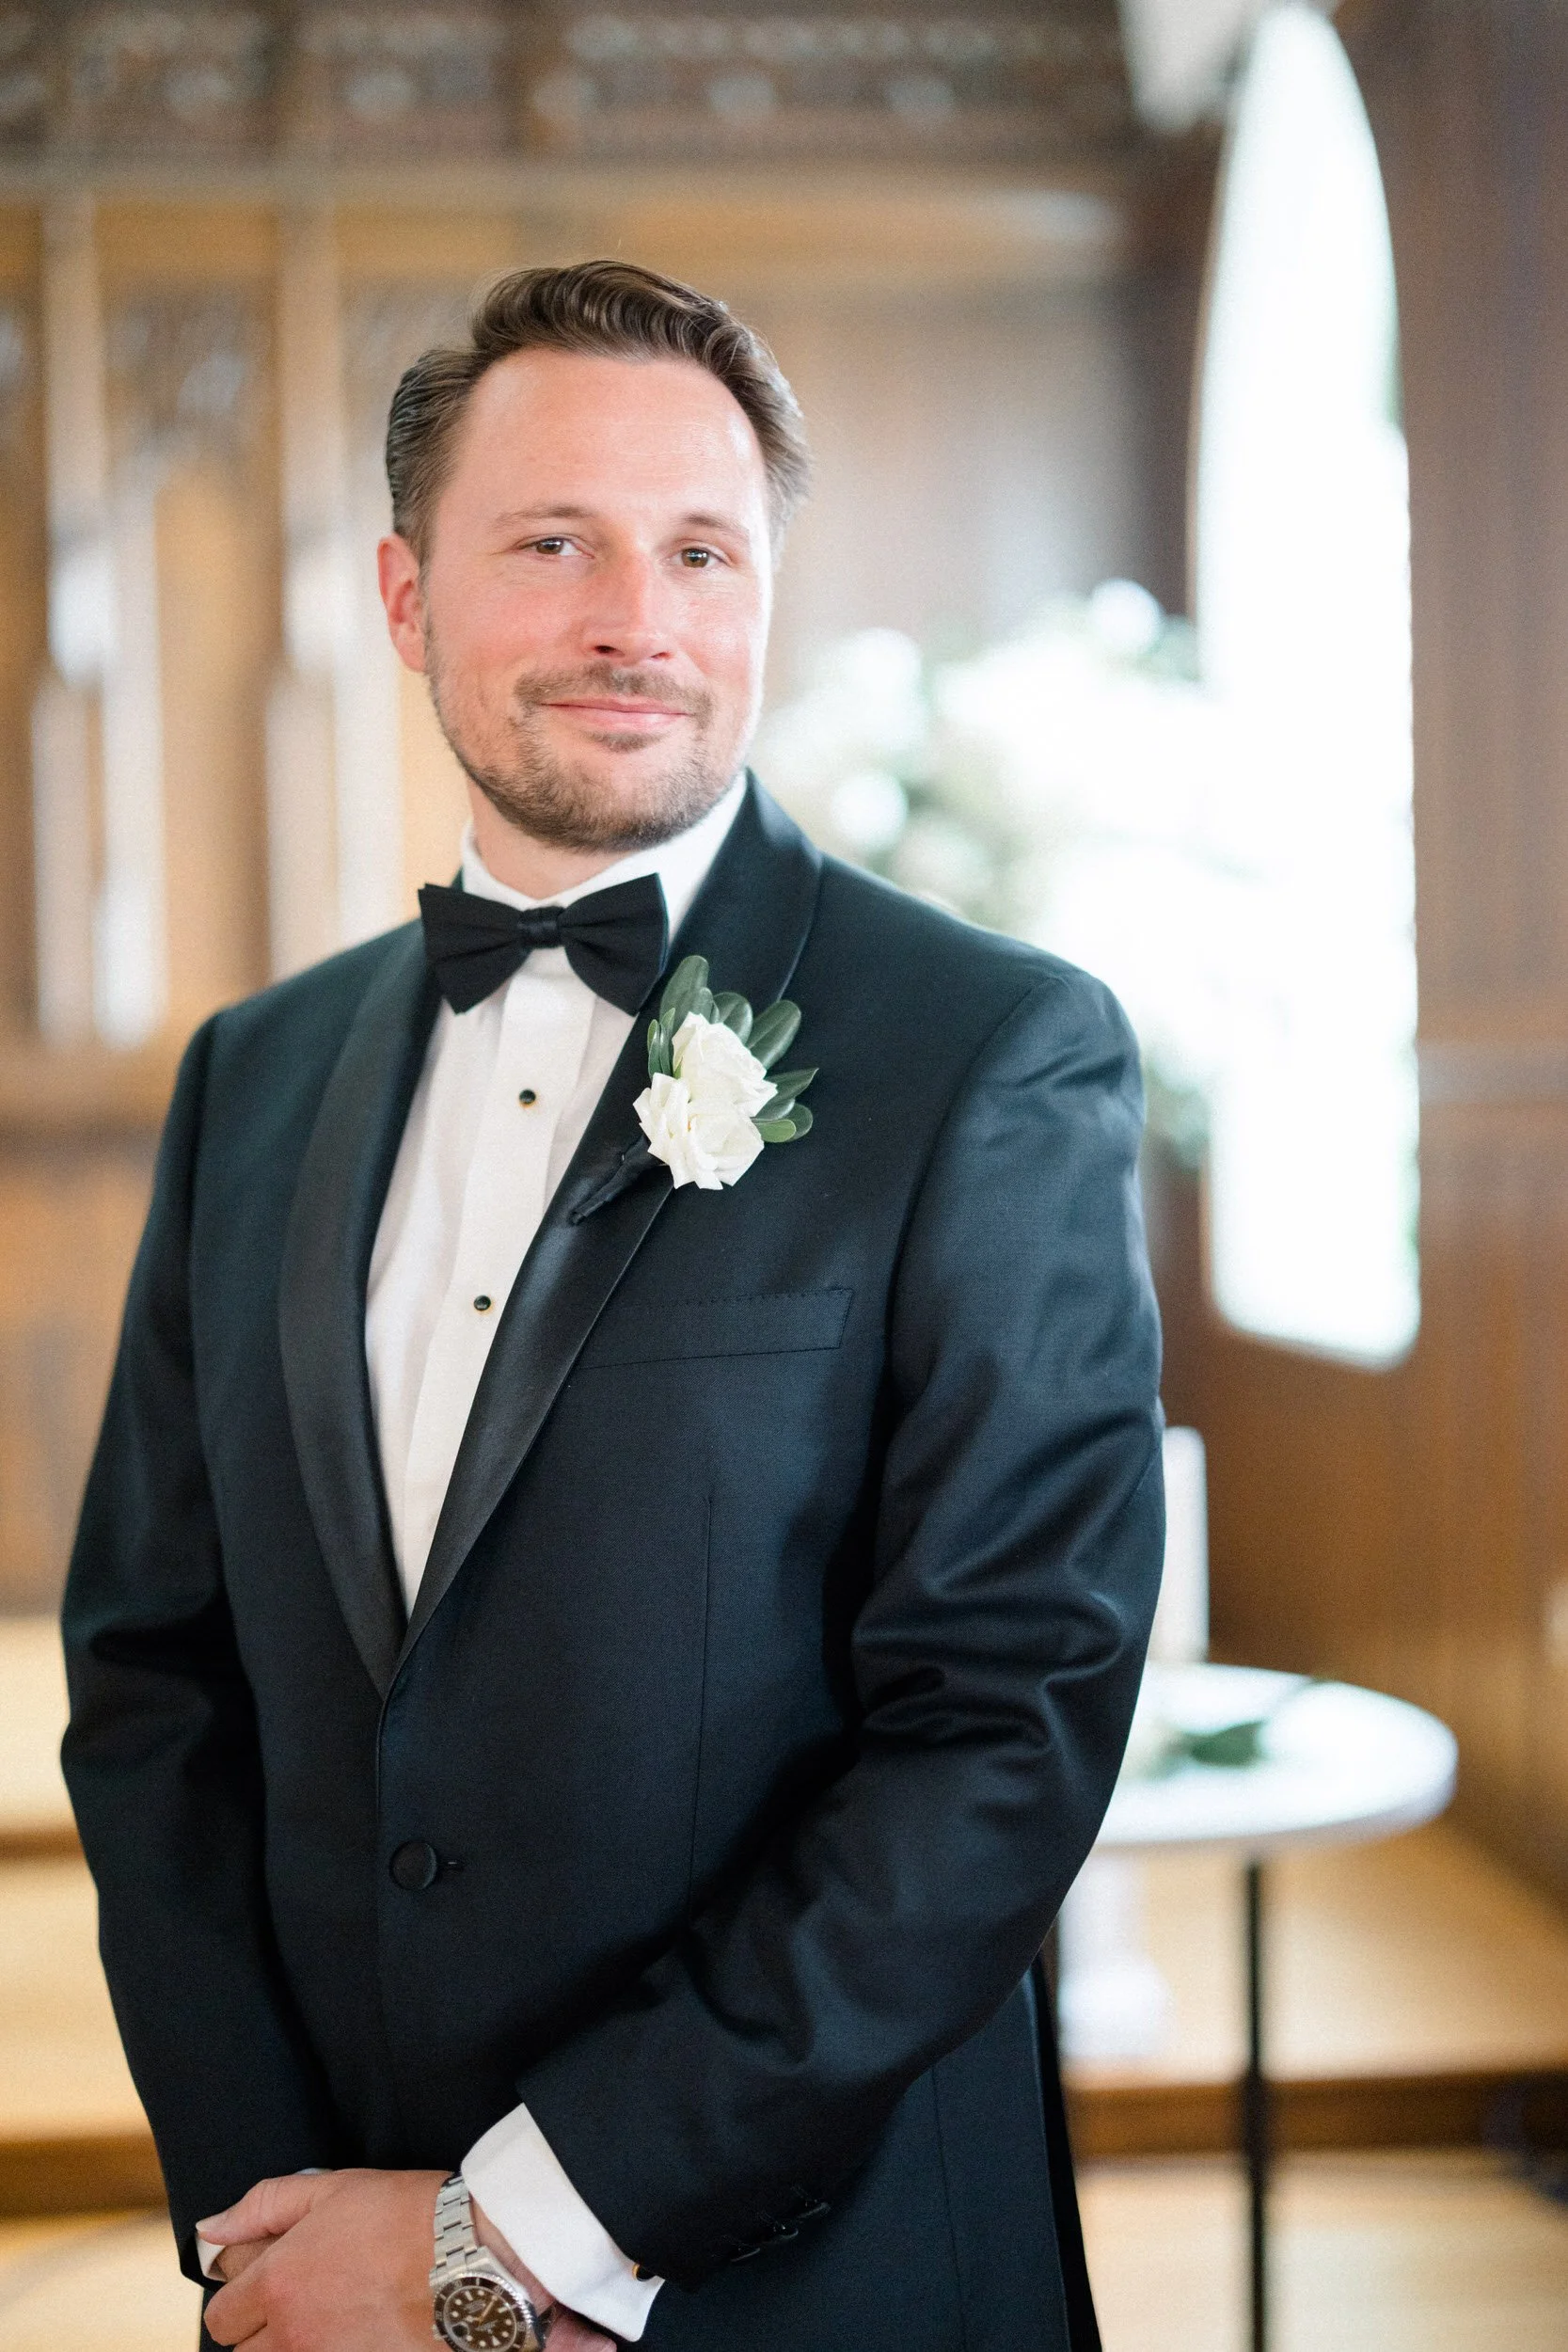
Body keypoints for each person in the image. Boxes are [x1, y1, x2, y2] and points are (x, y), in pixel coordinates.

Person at [61, 260, 1164, 2352]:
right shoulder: (253, 1075)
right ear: (402, 596)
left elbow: (1001, 1726)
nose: (632, 621)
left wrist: (513, 2238)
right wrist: (277, 2221)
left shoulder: (989, 1051)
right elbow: (152, 1680)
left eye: (697, 551)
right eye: (549, 541)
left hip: (800, 2268)